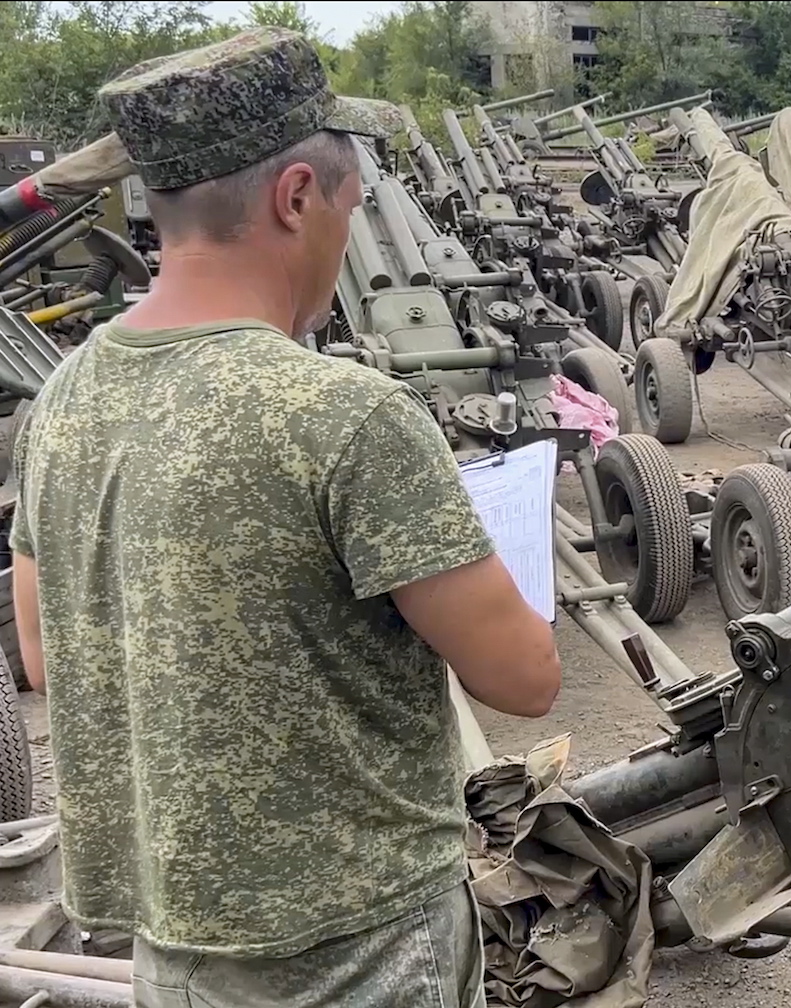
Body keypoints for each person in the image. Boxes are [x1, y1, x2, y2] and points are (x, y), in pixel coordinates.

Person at [7, 26, 561, 1008]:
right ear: (297, 197)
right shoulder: (344, 416)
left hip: (171, 951)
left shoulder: (64, 398)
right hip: (363, 954)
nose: (348, 229)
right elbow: (523, 678)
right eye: (350, 203)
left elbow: (50, 658)